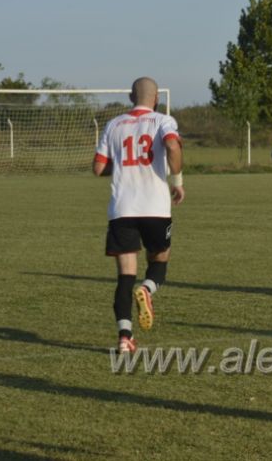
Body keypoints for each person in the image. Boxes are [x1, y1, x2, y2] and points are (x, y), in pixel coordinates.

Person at [93, 77, 185, 354]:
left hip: (122, 210)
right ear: (156, 98)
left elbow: (98, 168)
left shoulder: (114, 124)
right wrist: (178, 181)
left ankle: (124, 338)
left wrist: (120, 166)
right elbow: (171, 146)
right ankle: (147, 288)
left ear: (130, 97)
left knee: (124, 276)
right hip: (155, 208)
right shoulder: (162, 121)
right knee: (159, 260)